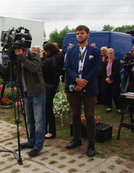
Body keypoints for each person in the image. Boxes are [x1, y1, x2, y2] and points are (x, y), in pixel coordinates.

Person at [0, 39, 46, 157]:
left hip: (37, 93)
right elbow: (7, 72)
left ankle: (38, 146)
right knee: (29, 120)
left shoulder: (34, 55)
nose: (20, 48)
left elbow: (33, 67)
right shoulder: (16, 59)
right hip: (25, 94)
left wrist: (22, 57)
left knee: (39, 121)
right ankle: (31, 141)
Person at [65, 25, 101, 157]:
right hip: (74, 87)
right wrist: (76, 79)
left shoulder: (95, 51)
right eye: (77, 34)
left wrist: (83, 82)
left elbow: (96, 69)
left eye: (82, 33)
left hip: (89, 87)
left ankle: (91, 144)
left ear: (88, 35)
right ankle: (77, 139)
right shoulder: (71, 51)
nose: (79, 35)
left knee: (89, 116)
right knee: (75, 114)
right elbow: (67, 67)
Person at [40, 42, 64, 139]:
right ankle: (47, 130)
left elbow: (39, 68)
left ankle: (51, 131)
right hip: (53, 85)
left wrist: (41, 58)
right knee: (47, 109)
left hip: (47, 86)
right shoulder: (57, 58)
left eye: (45, 50)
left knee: (47, 109)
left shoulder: (48, 61)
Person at [101, 48, 122, 113]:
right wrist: (106, 78)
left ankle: (118, 107)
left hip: (114, 80)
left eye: (111, 53)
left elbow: (117, 70)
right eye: (109, 53)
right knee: (107, 94)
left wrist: (110, 78)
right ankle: (109, 107)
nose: (110, 54)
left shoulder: (117, 61)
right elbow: (102, 71)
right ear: (107, 54)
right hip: (107, 80)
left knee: (114, 94)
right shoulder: (105, 62)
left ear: (114, 54)